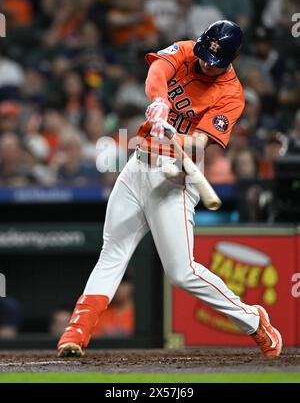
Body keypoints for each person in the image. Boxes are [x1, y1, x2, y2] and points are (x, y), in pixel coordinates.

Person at [57, 20, 282, 358]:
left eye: (215, 61)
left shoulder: (231, 95)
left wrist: (179, 138)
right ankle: (77, 331)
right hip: (138, 166)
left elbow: (202, 142)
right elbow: (157, 72)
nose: (207, 63)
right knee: (113, 252)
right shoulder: (188, 49)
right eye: (206, 55)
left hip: (175, 175)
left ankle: (253, 319)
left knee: (182, 272)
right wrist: (160, 102)